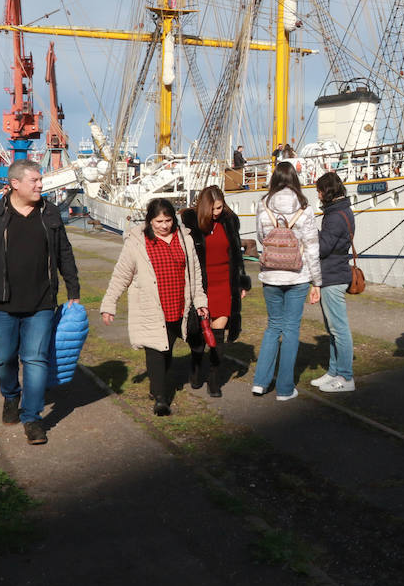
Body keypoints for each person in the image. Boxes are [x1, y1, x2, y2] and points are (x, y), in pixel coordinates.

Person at [0, 159, 81, 445]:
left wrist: (73, 290)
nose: (41, 185)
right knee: (3, 356)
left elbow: (64, 253)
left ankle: (32, 418)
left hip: (42, 302)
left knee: (35, 359)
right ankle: (10, 395)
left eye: (41, 180)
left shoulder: (50, 213)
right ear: (15, 184)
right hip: (4, 302)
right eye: (35, 181)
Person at [100, 198, 208, 416]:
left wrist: (201, 301)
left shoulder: (184, 238)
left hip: (181, 304)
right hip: (151, 307)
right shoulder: (137, 242)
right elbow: (122, 274)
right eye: (159, 221)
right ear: (150, 221)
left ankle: (164, 383)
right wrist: (109, 303)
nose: (165, 225)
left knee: (176, 348)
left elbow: (194, 273)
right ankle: (160, 398)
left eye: (168, 220)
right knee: (157, 352)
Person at [252, 162, 322, 400]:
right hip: (297, 275)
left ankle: (260, 382)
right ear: (295, 180)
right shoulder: (305, 208)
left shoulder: (263, 206)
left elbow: (262, 238)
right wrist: (317, 283)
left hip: (271, 274)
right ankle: (284, 389)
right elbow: (312, 248)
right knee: (291, 330)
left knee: (273, 327)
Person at [180, 186, 251, 398]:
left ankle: (213, 379)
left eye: (219, 207)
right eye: (212, 209)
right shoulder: (191, 224)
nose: (217, 212)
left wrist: (240, 283)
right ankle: (195, 365)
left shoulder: (229, 222)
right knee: (199, 333)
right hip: (200, 283)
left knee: (217, 334)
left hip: (223, 283)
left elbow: (237, 257)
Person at [310, 172, 355, 393]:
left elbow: (324, 247)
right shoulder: (339, 211)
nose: (317, 195)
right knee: (333, 328)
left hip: (333, 275)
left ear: (326, 191)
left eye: (319, 190)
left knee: (339, 329)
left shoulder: (335, 216)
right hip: (334, 273)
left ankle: (345, 377)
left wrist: (311, 233)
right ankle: (334, 371)